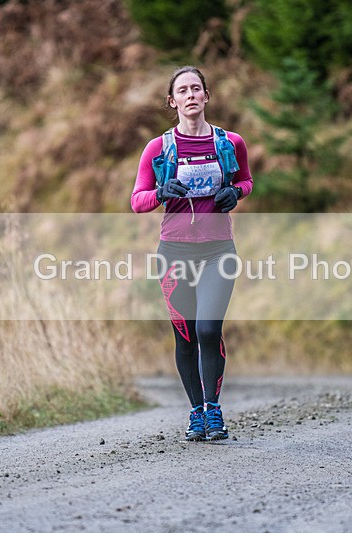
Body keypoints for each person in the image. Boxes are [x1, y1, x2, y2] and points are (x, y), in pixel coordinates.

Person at [131, 66, 252, 441]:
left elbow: (246, 179)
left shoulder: (229, 142)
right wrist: (160, 194)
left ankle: (214, 411)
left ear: (206, 96)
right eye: (182, 90)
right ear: (173, 101)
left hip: (218, 251)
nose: (190, 95)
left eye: (196, 88)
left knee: (208, 328)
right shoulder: (159, 147)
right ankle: (195, 412)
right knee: (184, 335)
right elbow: (137, 201)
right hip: (174, 253)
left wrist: (238, 193)